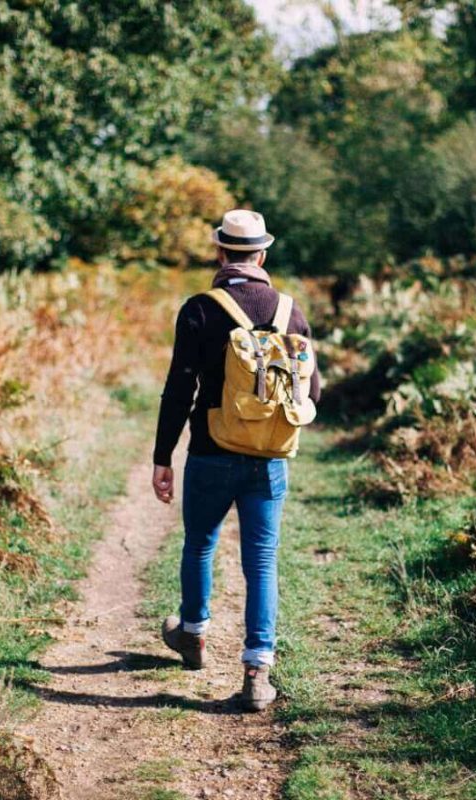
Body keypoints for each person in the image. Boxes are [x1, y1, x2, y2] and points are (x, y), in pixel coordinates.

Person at [151, 209, 321, 711]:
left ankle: (193, 635)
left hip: (209, 450)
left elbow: (178, 388)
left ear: (221, 253)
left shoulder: (200, 308)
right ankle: (257, 671)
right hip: (269, 458)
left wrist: (163, 456)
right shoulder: (291, 311)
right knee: (261, 561)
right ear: (262, 255)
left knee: (200, 544)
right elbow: (312, 389)